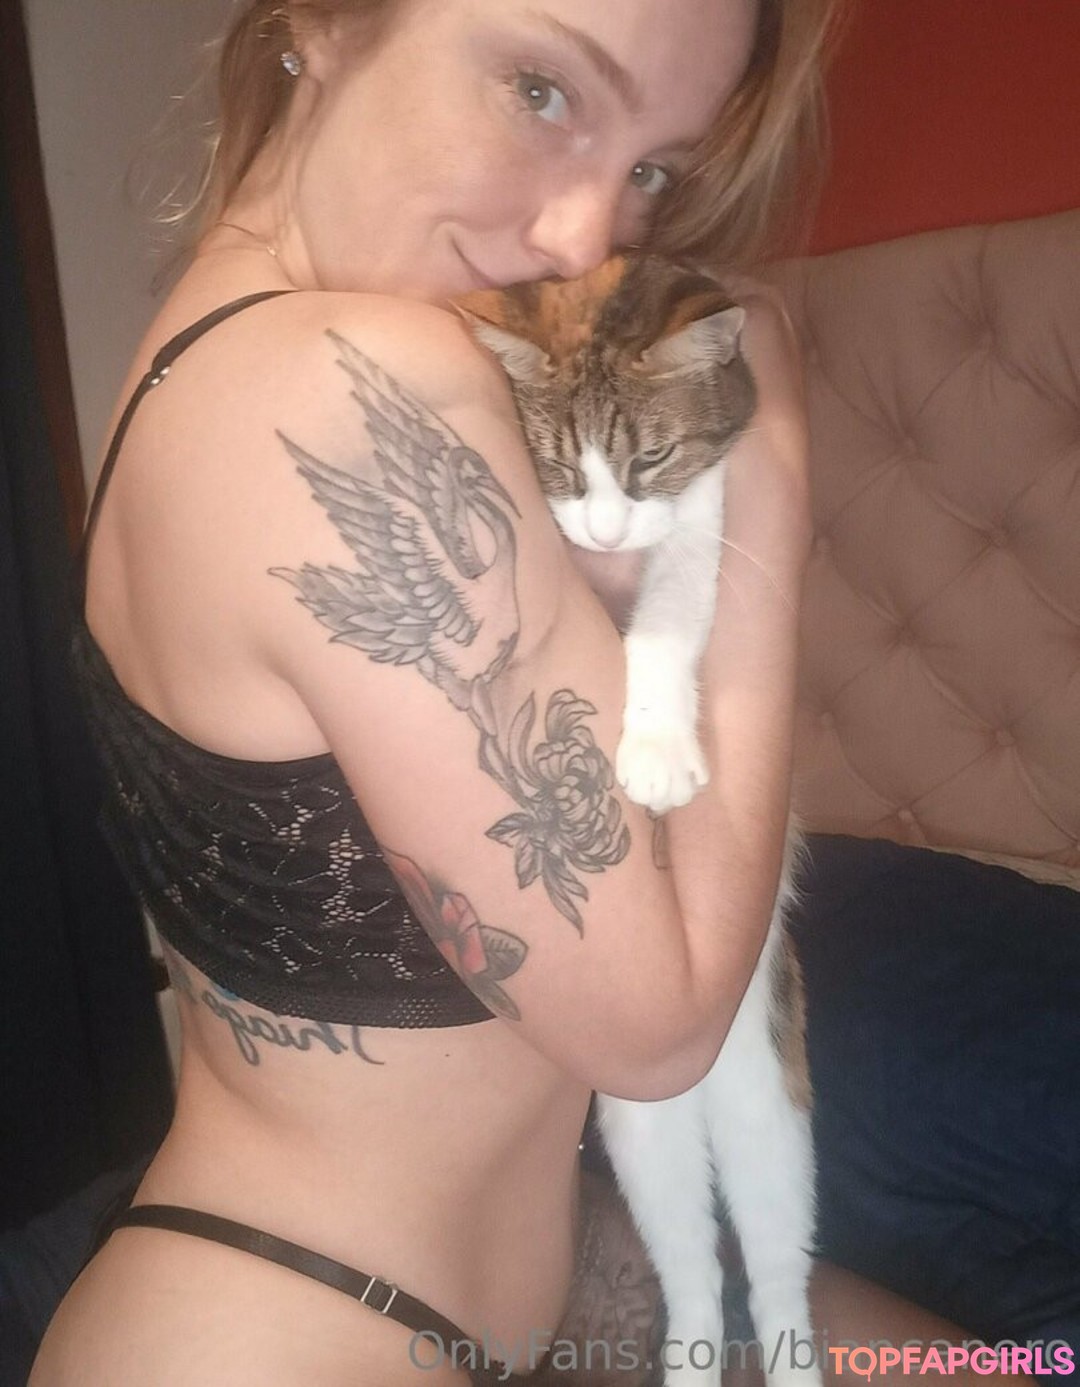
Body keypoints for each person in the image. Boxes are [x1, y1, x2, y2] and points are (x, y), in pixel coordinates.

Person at [30, 2, 1025, 1384]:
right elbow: (663, 1020)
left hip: (517, 1287)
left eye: (653, 168)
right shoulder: (346, 384)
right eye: (541, 89)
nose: (583, 234)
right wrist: (766, 439)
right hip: (301, 1333)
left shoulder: (199, 357)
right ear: (324, 22)